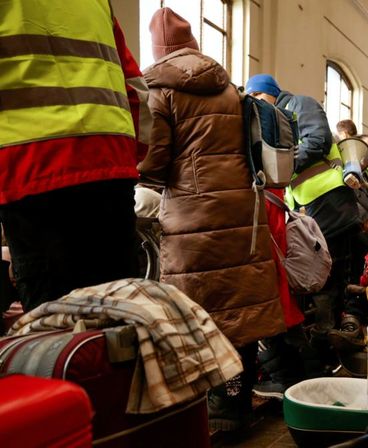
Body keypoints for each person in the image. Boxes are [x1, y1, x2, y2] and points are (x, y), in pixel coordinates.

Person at [139, 8, 284, 431]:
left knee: (197, 308)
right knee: (240, 305)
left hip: (191, 216)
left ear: (159, 50)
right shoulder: (230, 89)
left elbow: (155, 161)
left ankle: (205, 411)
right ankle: (235, 401)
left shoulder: (161, 90)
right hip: (243, 210)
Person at [0, 2, 150, 312]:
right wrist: (128, 153)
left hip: (31, 166)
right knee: (120, 314)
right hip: (110, 165)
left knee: (54, 323)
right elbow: (135, 89)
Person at [245, 74, 361, 364]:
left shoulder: (299, 104)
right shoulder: (273, 117)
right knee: (317, 273)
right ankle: (323, 345)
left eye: (259, 97)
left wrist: (283, 165)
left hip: (330, 203)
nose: (256, 104)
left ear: (272, 93)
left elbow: (318, 139)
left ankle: (329, 344)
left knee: (327, 276)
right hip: (312, 205)